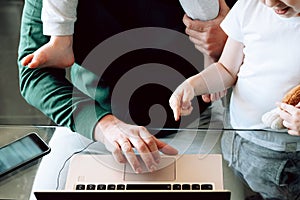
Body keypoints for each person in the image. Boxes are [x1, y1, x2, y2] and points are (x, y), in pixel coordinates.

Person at [18, 0, 236, 173]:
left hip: (196, 123)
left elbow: (261, 49)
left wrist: (229, 38)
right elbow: (34, 74)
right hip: (91, 127)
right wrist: (104, 125)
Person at [169, 0, 300, 199]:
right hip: (236, 136)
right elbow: (227, 69)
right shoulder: (249, 6)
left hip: (281, 155)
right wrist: (192, 85)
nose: (271, 2)